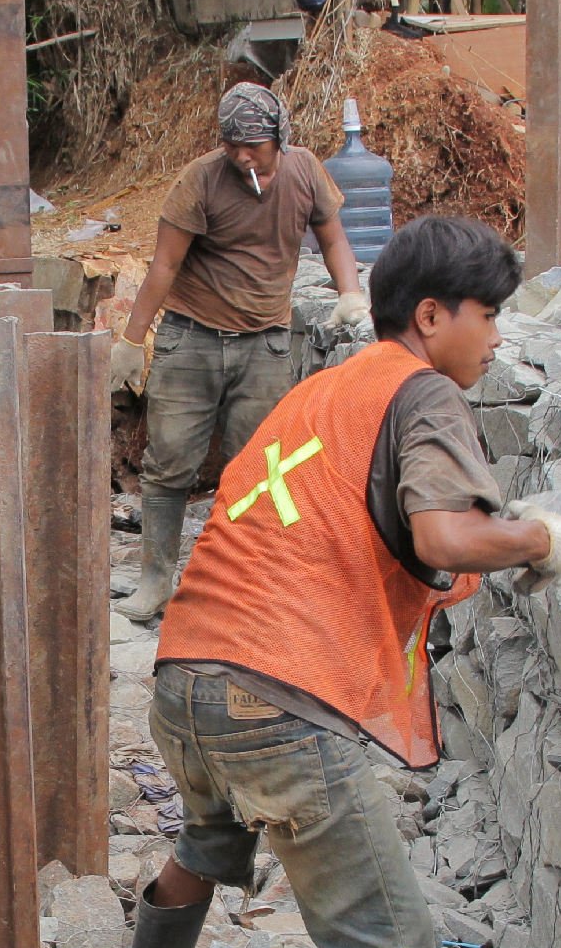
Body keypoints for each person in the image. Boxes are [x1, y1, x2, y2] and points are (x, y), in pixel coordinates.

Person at [116, 215, 561, 948]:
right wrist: (540, 541)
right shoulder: (424, 394)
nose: (496, 336)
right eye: (487, 314)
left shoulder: (323, 391)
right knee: (388, 941)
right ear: (430, 314)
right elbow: (446, 536)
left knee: (204, 846)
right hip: (279, 696)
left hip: (187, 673)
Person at [112, 81, 371, 622]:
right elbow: (164, 265)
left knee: (256, 468)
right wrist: (133, 340)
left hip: (265, 344)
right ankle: (158, 578)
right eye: (231, 144)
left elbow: (333, 238)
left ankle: (241, 586)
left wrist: (350, 292)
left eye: (252, 144)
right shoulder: (201, 180)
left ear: (280, 138)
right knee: (170, 462)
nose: (241, 154)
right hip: (192, 337)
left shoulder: (305, 174)